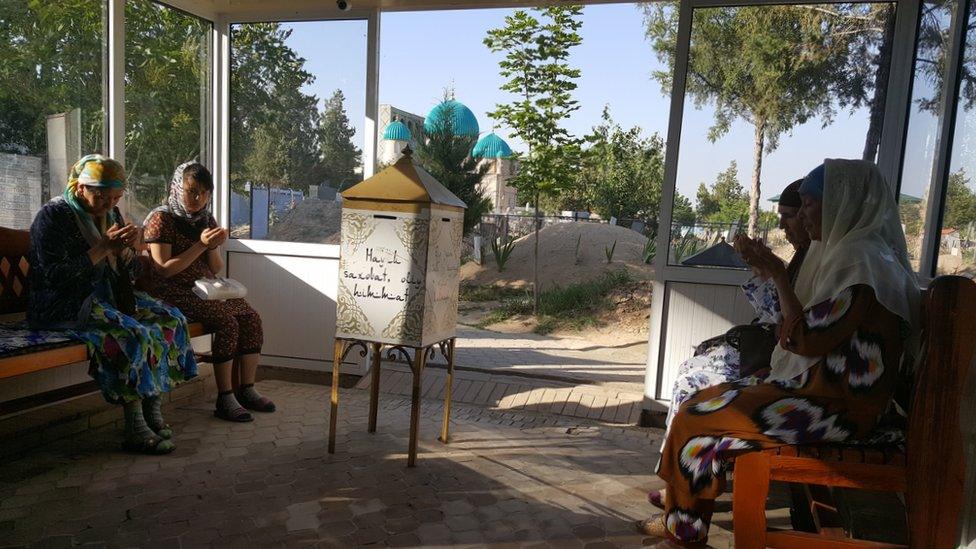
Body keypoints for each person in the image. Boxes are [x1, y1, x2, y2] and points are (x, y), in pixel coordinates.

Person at [639, 159, 920, 546]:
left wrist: (780, 276)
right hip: (827, 394)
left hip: (840, 409)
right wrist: (777, 276)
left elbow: (799, 338)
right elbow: (800, 333)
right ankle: (681, 517)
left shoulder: (861, 262)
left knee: (697, 420)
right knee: (701, 401)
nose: (803, 217)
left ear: (841, 203)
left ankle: (683, 531)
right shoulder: (857, 255)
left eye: (809, 204)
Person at [647, 179, 811, 509]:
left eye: (792, 215)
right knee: (691, 371)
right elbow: (778, 317)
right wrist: (764, 269)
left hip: (786, 371)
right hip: (779, 359)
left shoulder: (822, 262)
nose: (784, 224)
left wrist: (774, 273)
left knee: (693, 384)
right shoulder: (805, 258)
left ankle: (687, 486)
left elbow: (790, 329)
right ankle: (686, 483)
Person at [27, 154, 198, 455]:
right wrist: (102, 248)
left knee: (170, 319)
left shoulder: (111, 215)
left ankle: (152, 405)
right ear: (81, 188)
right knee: (132, 334)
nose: (109, 205)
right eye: (101, 197)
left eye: (116, 197)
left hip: (108, 297)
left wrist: (126, 251)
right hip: (64, 304)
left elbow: (129, 272)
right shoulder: (53, 217)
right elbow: (53, 277)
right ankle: (134, 424)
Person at [143, 162, 273, 423]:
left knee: (250, 317)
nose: (198, 198)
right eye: (192, 191)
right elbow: (164, 270)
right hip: (173, 292)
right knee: (226, 322)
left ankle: (246, 389)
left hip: (204, 288)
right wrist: (200, 246)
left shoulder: (205, 219)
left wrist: (213, 246)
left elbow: (215, 267)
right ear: (178, 188)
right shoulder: (162, 219)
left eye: (204, 193)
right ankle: (225, 397)